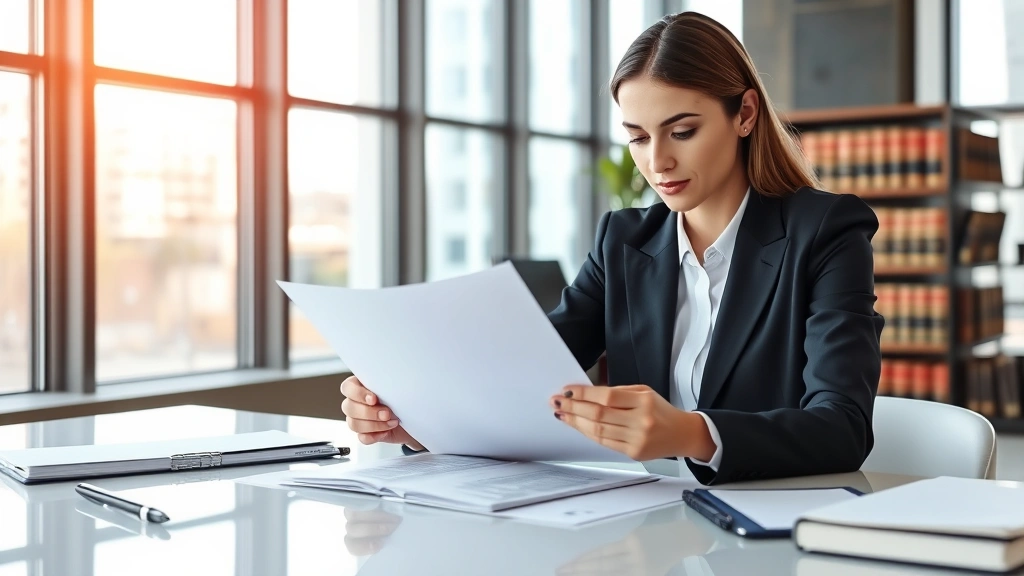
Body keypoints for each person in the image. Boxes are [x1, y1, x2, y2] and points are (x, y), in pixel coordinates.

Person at [339, 11, 883, 485]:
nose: (658, 163)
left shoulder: (826, 231)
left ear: (744, 114)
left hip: (762, 532)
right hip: (642, 525)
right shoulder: (624, 240)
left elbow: (842, 426)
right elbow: (527, 380)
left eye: (683, 131)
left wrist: (692, 432)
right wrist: (419, 421)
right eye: (639, 137)